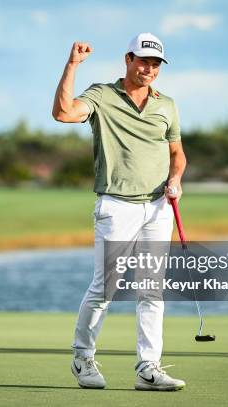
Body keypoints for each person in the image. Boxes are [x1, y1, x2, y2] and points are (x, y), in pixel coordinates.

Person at [52, 33, 187, 391]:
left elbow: (178, 153)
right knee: (106, 288)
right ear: (128, 58)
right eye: (143, 60)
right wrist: (72, 66)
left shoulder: (167, 105)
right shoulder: (101, 95)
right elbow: (63, 113)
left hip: (159, 207)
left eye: (156, 63)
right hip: (116, 205)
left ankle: (148, 368)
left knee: (151, 290)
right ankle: (82, 357)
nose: (149, 69)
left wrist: (176, 178)